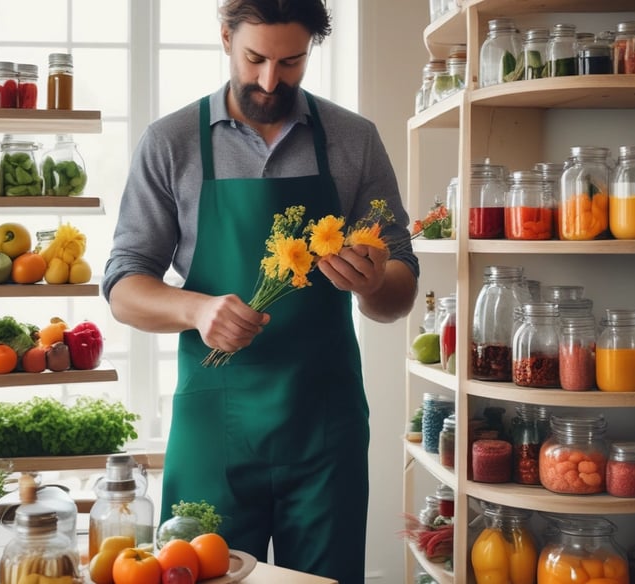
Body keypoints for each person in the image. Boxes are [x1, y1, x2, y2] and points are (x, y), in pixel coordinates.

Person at [102, 1, 419, 581]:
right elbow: (124, 284)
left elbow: (399, 287)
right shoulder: (172, 142)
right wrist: (196, 308)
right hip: (214, 431)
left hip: (325, 428)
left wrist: (375, 284)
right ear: (225, 37)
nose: (271, 80)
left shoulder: (354, 139)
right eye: (255, 58)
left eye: (291, 61)